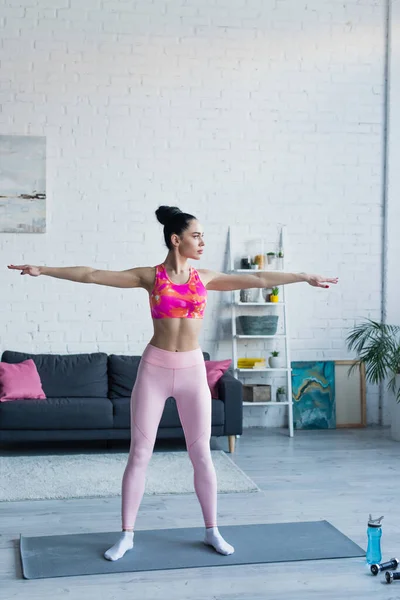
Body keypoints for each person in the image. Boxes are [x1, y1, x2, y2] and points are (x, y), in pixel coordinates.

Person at [7, 205, 339, 561]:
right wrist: (44, 270)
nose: (202, 242)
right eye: (196, 236)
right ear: (175, 239)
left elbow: (258, 280)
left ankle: (212, 530)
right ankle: (127, 535)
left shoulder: (205, 278)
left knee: (202, 455)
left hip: (193, 370)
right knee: (139, 454)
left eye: (202, 236)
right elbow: (92, 274)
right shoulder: (151, 277)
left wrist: (304, 276)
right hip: (155, 369)